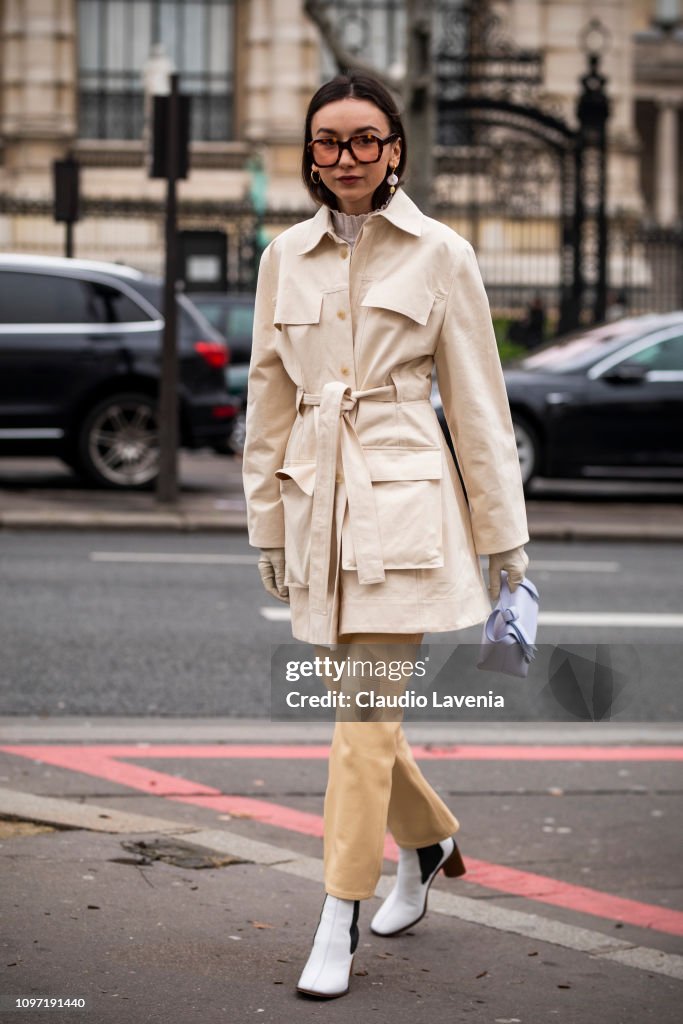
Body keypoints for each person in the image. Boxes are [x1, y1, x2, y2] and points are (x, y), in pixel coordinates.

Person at [242, 72, 530, 1000]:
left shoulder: (442, 253)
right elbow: (269, 397)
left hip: (404, 507)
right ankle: (430, 840)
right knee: (360, 718)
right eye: (329, 141)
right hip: (315, 505)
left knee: (360, 726)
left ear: (395, 148)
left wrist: (505, 542)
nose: (348, 158)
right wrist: (266, 523)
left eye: (366, 140)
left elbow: (479, 405)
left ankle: (338, 914)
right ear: (310, 153)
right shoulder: (283, 255)